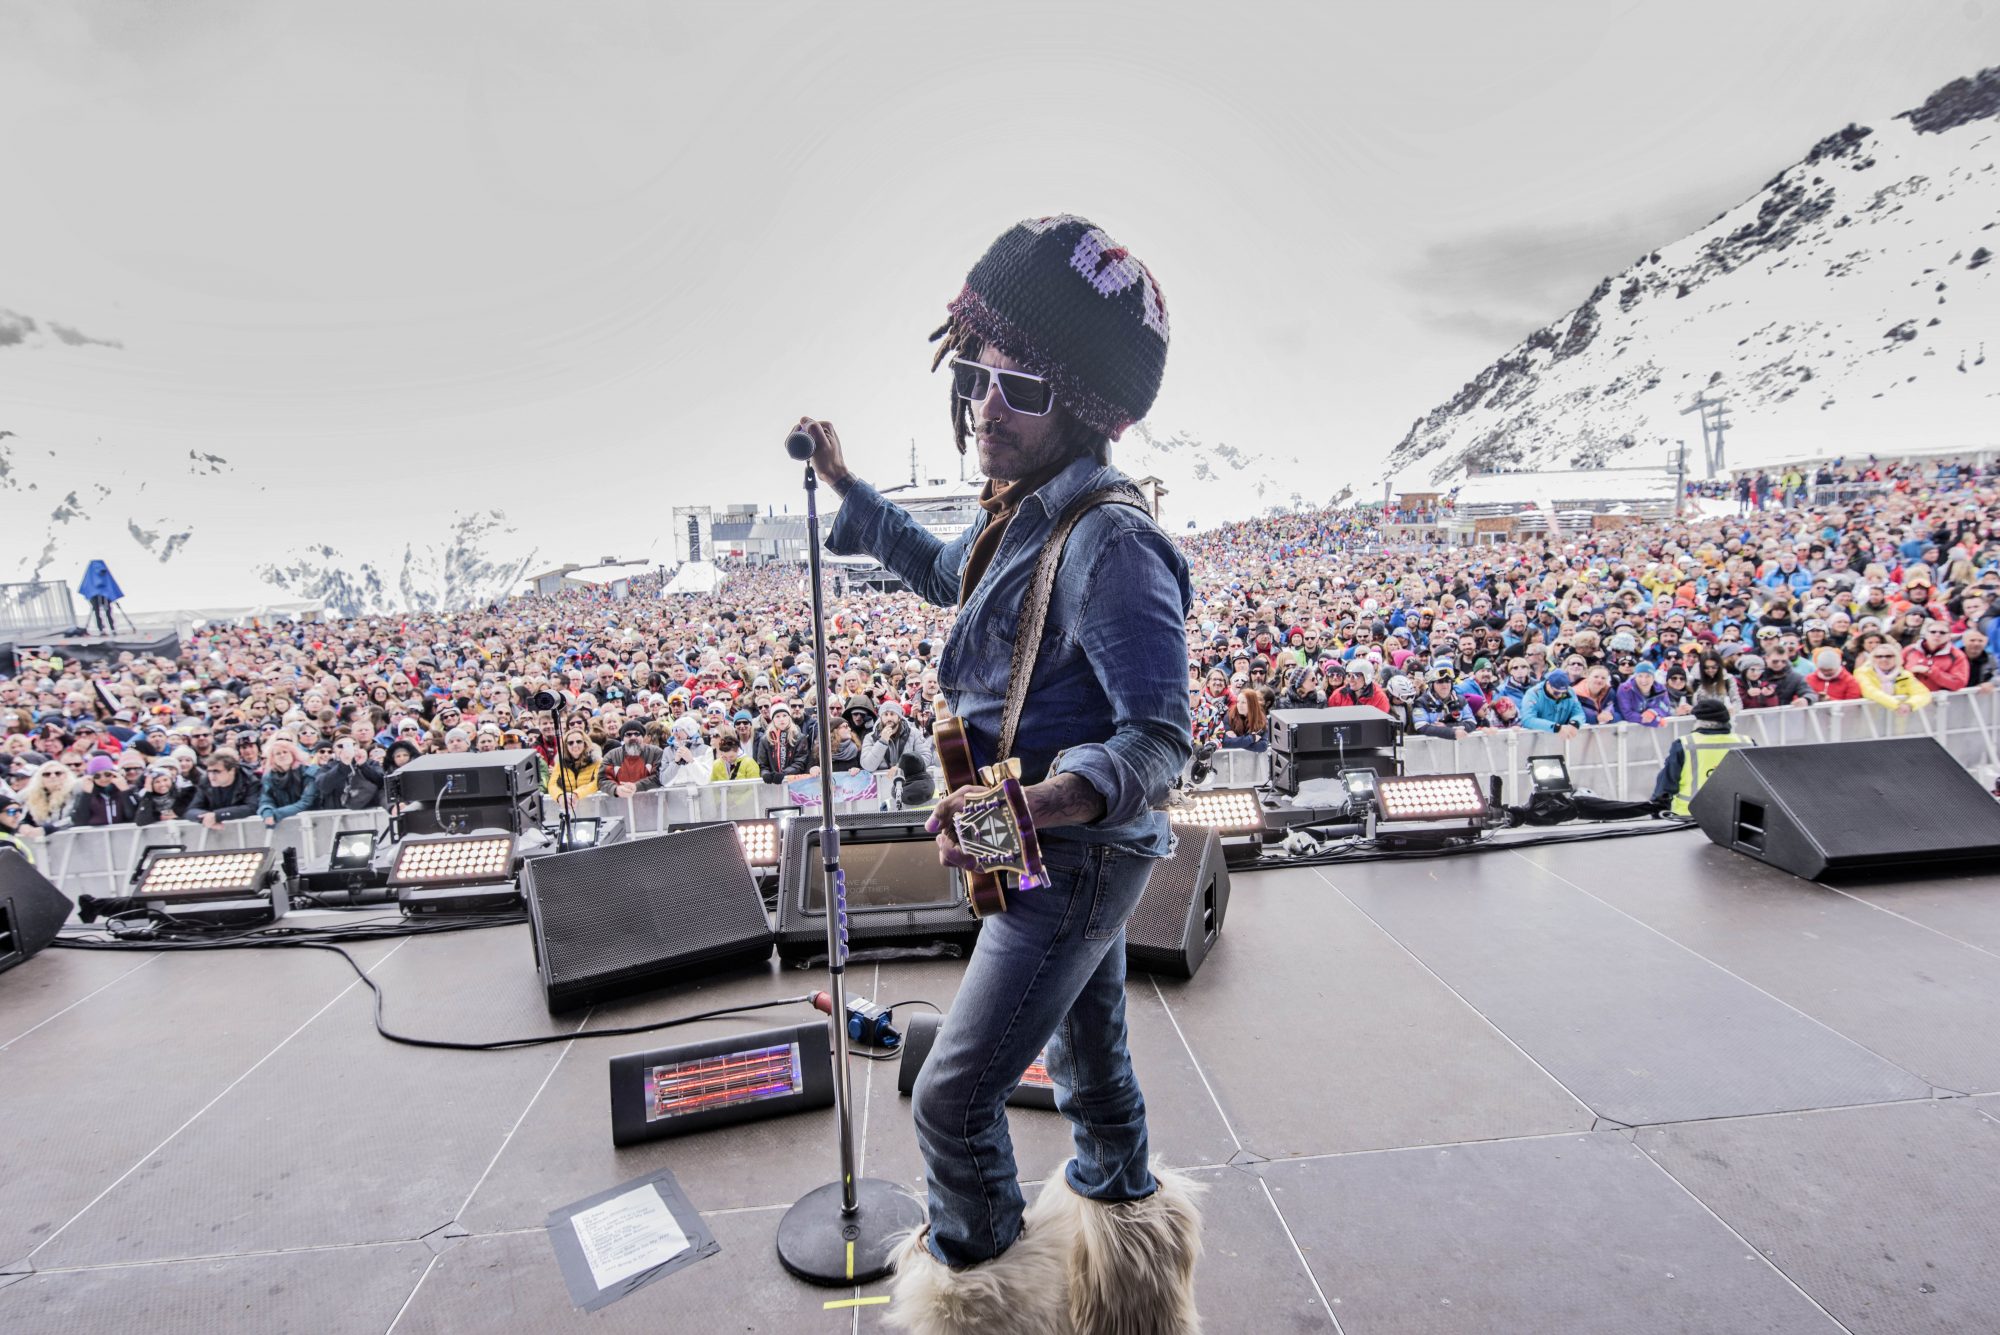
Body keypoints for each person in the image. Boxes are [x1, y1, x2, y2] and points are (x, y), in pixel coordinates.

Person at [807, 215, 1201, 1332]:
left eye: (1014, 384)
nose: (982, 402)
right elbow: (947, 575)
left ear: (1079, 403)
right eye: (971, 374)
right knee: (1089, 1073)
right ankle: (1132, 1293)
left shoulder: (1109, 541)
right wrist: (850, 490)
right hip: (1046, 847)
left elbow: (1159, 739)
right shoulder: (1023, 511)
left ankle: (983, 1302)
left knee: (951, 1099)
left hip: (1069, 855)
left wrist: (1047, 796)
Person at [1652, 697, 1754, 815]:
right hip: (1735, 815)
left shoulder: (1685, 744)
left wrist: (1657, 809)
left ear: (1698, 721)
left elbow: (1667, 782)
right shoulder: (1747, 742)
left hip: (1689, 816)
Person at [859, 699, 936, 774]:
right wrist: (882, 742)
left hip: (910, 782)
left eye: (892, 714)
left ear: (899, 718)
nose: (889, 718)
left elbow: (926, 757)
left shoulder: (914, 733)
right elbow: (867, 766)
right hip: (883, 783)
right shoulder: (870, 737)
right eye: (885, 714)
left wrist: (902, 767)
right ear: (881, 718)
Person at [1855, 642, 1933, 715]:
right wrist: (1896, 705)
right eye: (1879, 656)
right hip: (1870, 719)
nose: (1884, 659)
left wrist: (1910, 705)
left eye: (1889, 656)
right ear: (1873, 658)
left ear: (1896, 657)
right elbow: (1870, 691)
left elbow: (1922, 693)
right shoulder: (1862, 672)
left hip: (1897, 719)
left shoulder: (1904, 675)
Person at [186, 752, 261, 828]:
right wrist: (207, 818)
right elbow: (191, 810)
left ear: (232, 771)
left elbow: (252, 807)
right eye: (209, 772)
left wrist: (217, 815)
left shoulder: (249, 781)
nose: (211, 776)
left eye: (216, 772)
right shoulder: (205, 782)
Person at [257, 737, 318, 826]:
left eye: (285, 752)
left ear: (293, 754)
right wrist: (267, 812)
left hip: (311, 822)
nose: (282, 755)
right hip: (285, 824)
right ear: (272, 758)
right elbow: (266, 798)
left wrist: (277, 814)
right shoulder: (268, 777)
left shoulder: (308, 772)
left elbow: (306, 802)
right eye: (278, 753)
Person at [69, 755, 140, 827]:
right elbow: (79, 821)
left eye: (107, 774)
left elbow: (134, 816)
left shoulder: (128, 791)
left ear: (114, 774)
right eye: (97, 776)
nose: (103, 779)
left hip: (124, 835)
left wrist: (125, 791)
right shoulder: (84, 795)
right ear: (91, 778)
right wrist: (86, 794)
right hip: (96, 836)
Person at [600, 720, 665, 796]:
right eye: (628, 734)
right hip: (621, 803)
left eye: (637, 734)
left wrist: (636, 786)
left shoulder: (656, 753)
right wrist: (615, 789)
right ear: (623, 738)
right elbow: (603, 779)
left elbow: (660, 776)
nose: (633, 737)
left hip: (652, 802)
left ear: (643, 736)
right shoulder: (612, 756)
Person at [1520, 669, 1585, 736]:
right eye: (1556, 693)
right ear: (1548, 684)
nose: (1560, 696)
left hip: (1560, 738)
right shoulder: (1533, 694)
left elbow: (1579, 713)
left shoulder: (1570, 692)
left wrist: (1575, 723)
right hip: (1537, 738)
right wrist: (1555, 727)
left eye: (1563, 693)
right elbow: (1527, 719)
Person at [546, 730, 603, 800]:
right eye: (570, 743)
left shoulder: (596, 761)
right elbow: (552, 784)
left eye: (579, 741)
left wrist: (577, 794)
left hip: (591, 803)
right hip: (568, 805)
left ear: (585, 743)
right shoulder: (560, 763)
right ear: (566, 746)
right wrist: (560, 797)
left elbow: (597, 782)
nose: (575, 745)